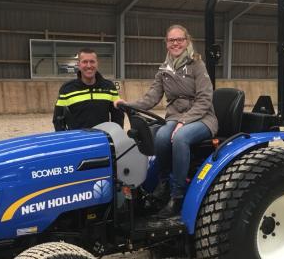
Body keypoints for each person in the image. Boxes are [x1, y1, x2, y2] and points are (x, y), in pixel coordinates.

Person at [115, 24, 218, 218]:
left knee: (180, 138)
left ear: (187, 41)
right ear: (166, 43)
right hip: (176, 117)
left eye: (179, 39)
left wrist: (185, 121)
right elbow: (151, 97)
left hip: (202, 117)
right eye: (172, 40)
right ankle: (163, 185)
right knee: (161, 136)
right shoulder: (164, 70)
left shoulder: (197, 65)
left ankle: (177, 195)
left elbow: (205, 99)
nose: (176, 43)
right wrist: (128, 105)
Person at [52, 48, 124, 130]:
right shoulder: (67, 89)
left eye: (92, 61)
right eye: (85, 62)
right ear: (79, 65)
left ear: (97, 64)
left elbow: (118, 116)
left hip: (102, 140)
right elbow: (58, 120)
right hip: (78, 141)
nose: (89, 66)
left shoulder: (109, 87)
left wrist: (114, 137)